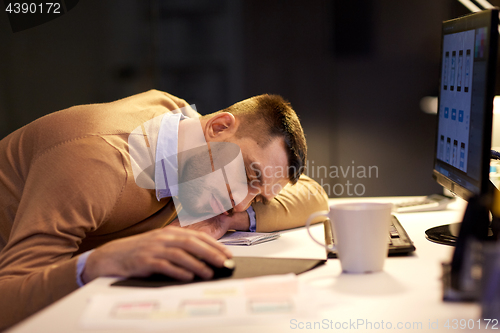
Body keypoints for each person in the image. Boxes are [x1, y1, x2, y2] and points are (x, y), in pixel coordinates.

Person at [0, 90, 328, 329]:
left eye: (258, 197)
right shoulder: (96, 167)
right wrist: (99, 262)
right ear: (219, 126)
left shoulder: (186, 128)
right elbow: (8, 302)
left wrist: (230, 218)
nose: (240, 201)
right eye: (248, 173)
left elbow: (314, 195)